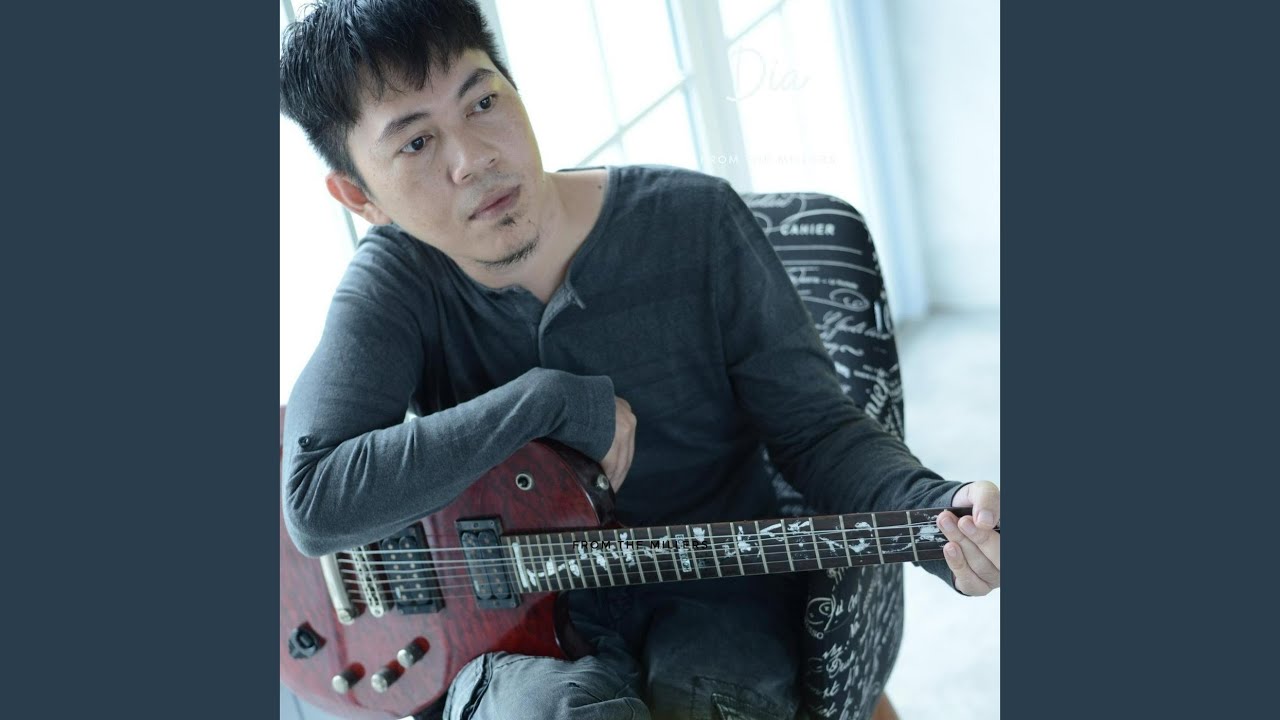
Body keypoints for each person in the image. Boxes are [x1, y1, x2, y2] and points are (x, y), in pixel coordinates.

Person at [279, 1, 1001, 718]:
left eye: (483, 102)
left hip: (718, 599)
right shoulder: (396, 282)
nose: (475, 159)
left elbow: (818, 432)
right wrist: (548, 401)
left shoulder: (695, 221)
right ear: (358, 195)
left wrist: (938, 517)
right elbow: (314, 499)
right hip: (506, 638)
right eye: (415, 143)